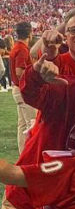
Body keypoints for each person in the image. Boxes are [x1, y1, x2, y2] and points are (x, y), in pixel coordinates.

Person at [9, 20, 36, 152]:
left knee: (23, 126)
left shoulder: (16, 47)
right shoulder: (22, 49)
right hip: (23, 90)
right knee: (32, 124)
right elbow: (20, 71)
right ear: (30, 34)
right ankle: (30, 155)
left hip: (17, 89)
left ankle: (23, 154)